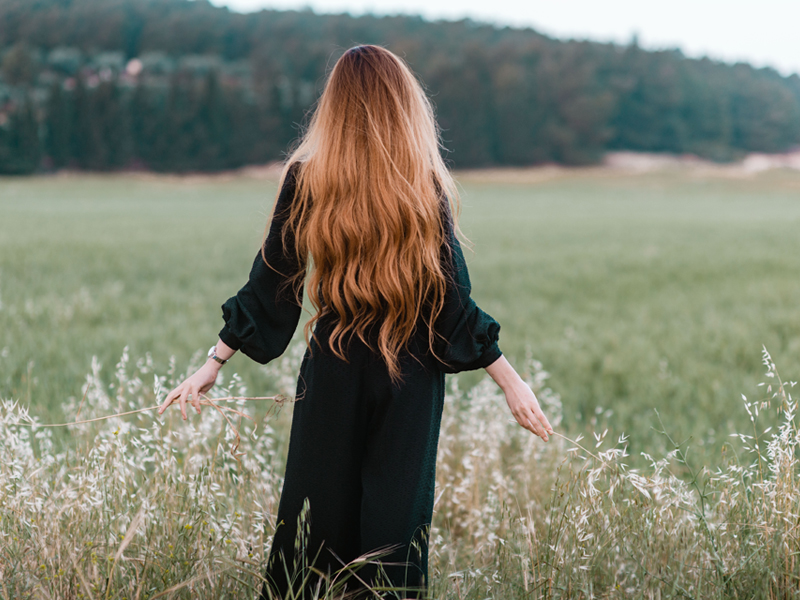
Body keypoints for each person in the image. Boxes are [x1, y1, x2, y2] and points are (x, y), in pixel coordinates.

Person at [158, 44, 553, 599]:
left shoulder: (307, 177)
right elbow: (450, 302)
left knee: (314, 536)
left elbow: (272, 284)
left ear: (334, 106)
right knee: (394, 540)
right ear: (403, 105)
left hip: (333, 366)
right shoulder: (423, 184)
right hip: (410, 373)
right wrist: (511, 381)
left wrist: (212, 363)